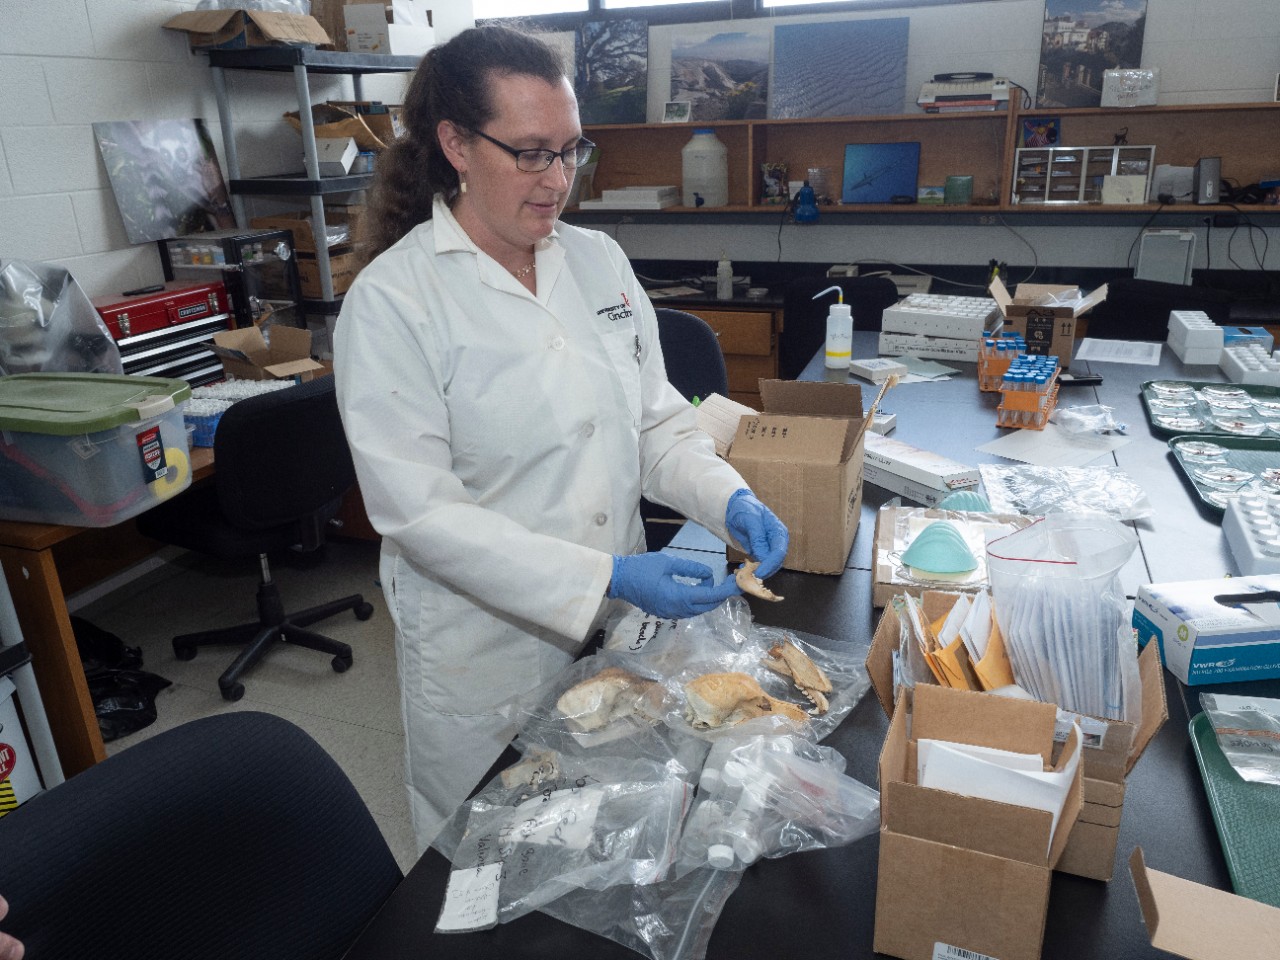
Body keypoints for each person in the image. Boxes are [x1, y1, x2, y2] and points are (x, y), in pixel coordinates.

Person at [333, 23, 788, 853]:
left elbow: (655, 423)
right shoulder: (394, 302)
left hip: (611, 630)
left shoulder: (600, 262)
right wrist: (606, 572)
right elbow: (419, 514)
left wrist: (731, 498)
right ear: (457, 146)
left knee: (609, 835)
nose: (558, 180)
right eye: (531, 153)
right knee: (494, 858)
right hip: (485, 646)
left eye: (572, 150)